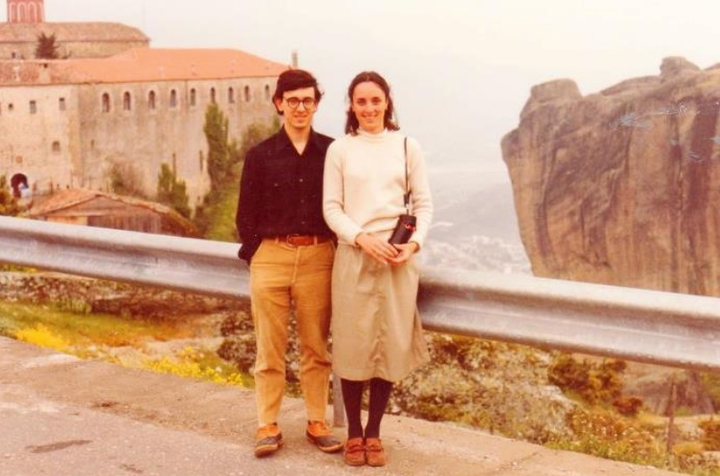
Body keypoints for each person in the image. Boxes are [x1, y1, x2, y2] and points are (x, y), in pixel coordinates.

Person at [323, 71, 433, 467]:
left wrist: (414, 245)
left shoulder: (407, 146)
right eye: (361, 101)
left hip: (396, 261)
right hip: (355, 256)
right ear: (351, 106)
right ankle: (353, 432)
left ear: (387, 101)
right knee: (353, 347)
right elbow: (331, 208)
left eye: (375, 100)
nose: (369, 108)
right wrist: (361, 238)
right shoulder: (340, 150)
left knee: (387, 347)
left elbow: (423, 205)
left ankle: (375, 433)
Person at [235, 69, 342, 458]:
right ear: (279, 103)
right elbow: (245, 213)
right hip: (271, 256)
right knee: (270, 348)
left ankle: (317, 422)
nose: (300, 107)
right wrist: (257, 252)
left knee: (316, 346)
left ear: (316, 105)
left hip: (318, 256)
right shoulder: (260, 155)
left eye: (308, 101)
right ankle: (267, 425)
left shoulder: (332, 152)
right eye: (293, 100)